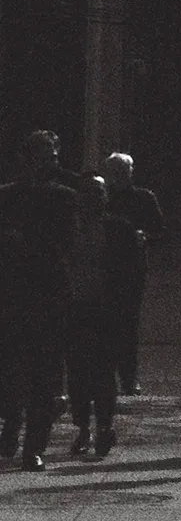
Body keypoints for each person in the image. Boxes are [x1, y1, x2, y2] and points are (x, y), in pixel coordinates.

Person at [0, 131, 78, 468]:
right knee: (11, 369)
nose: (49, 163)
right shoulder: (7, 197)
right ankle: (12, 425)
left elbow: (67, 246)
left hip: (48, 294)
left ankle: (35, 444)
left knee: (45, 374)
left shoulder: (65, 197)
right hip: (13, 294)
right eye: (42, 156)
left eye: (53, 156)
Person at [98, 153, 168, 396]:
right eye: (115, 172)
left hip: (131, 267)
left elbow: (159, 229)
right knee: (105, 323)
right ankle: (108, 377)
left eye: (123, 172)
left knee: (128, 323)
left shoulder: (143, 198)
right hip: (104, 266)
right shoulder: (102, 197)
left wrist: (145, 236)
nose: (119, 177)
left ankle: (128, 377)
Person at [61, 177, 119, 457]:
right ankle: (83, 428)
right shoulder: (66, 228)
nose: (92, 199)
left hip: (104, 310)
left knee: (104, 373)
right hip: (74, 308)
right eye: (87, 193)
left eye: (98, 193)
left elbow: (128, 274)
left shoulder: (117, 229)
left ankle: (105, 426)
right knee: (78, 374)